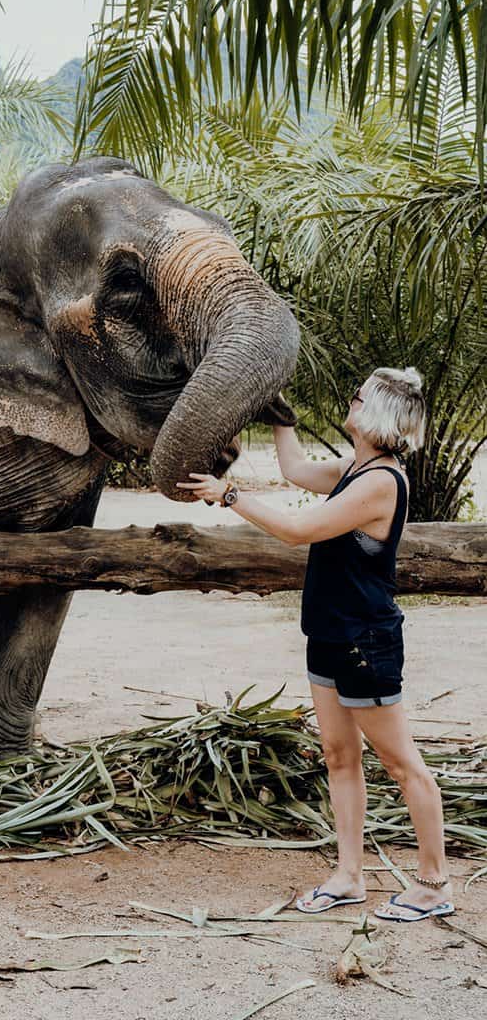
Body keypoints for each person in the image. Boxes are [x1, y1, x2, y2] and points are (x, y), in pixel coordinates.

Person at [176, 367, 455, 923]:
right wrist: (280, 413)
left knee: (402, 764)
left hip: (364, 640)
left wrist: (229, 494)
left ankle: (434, 884)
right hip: (327, 632)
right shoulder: (357, 468)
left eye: (359, 397)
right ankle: (348, 876)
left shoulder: (381, 481)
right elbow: (296, 469)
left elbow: (298, 531)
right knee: (338, 756)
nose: (351, 401)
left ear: (377, 414)